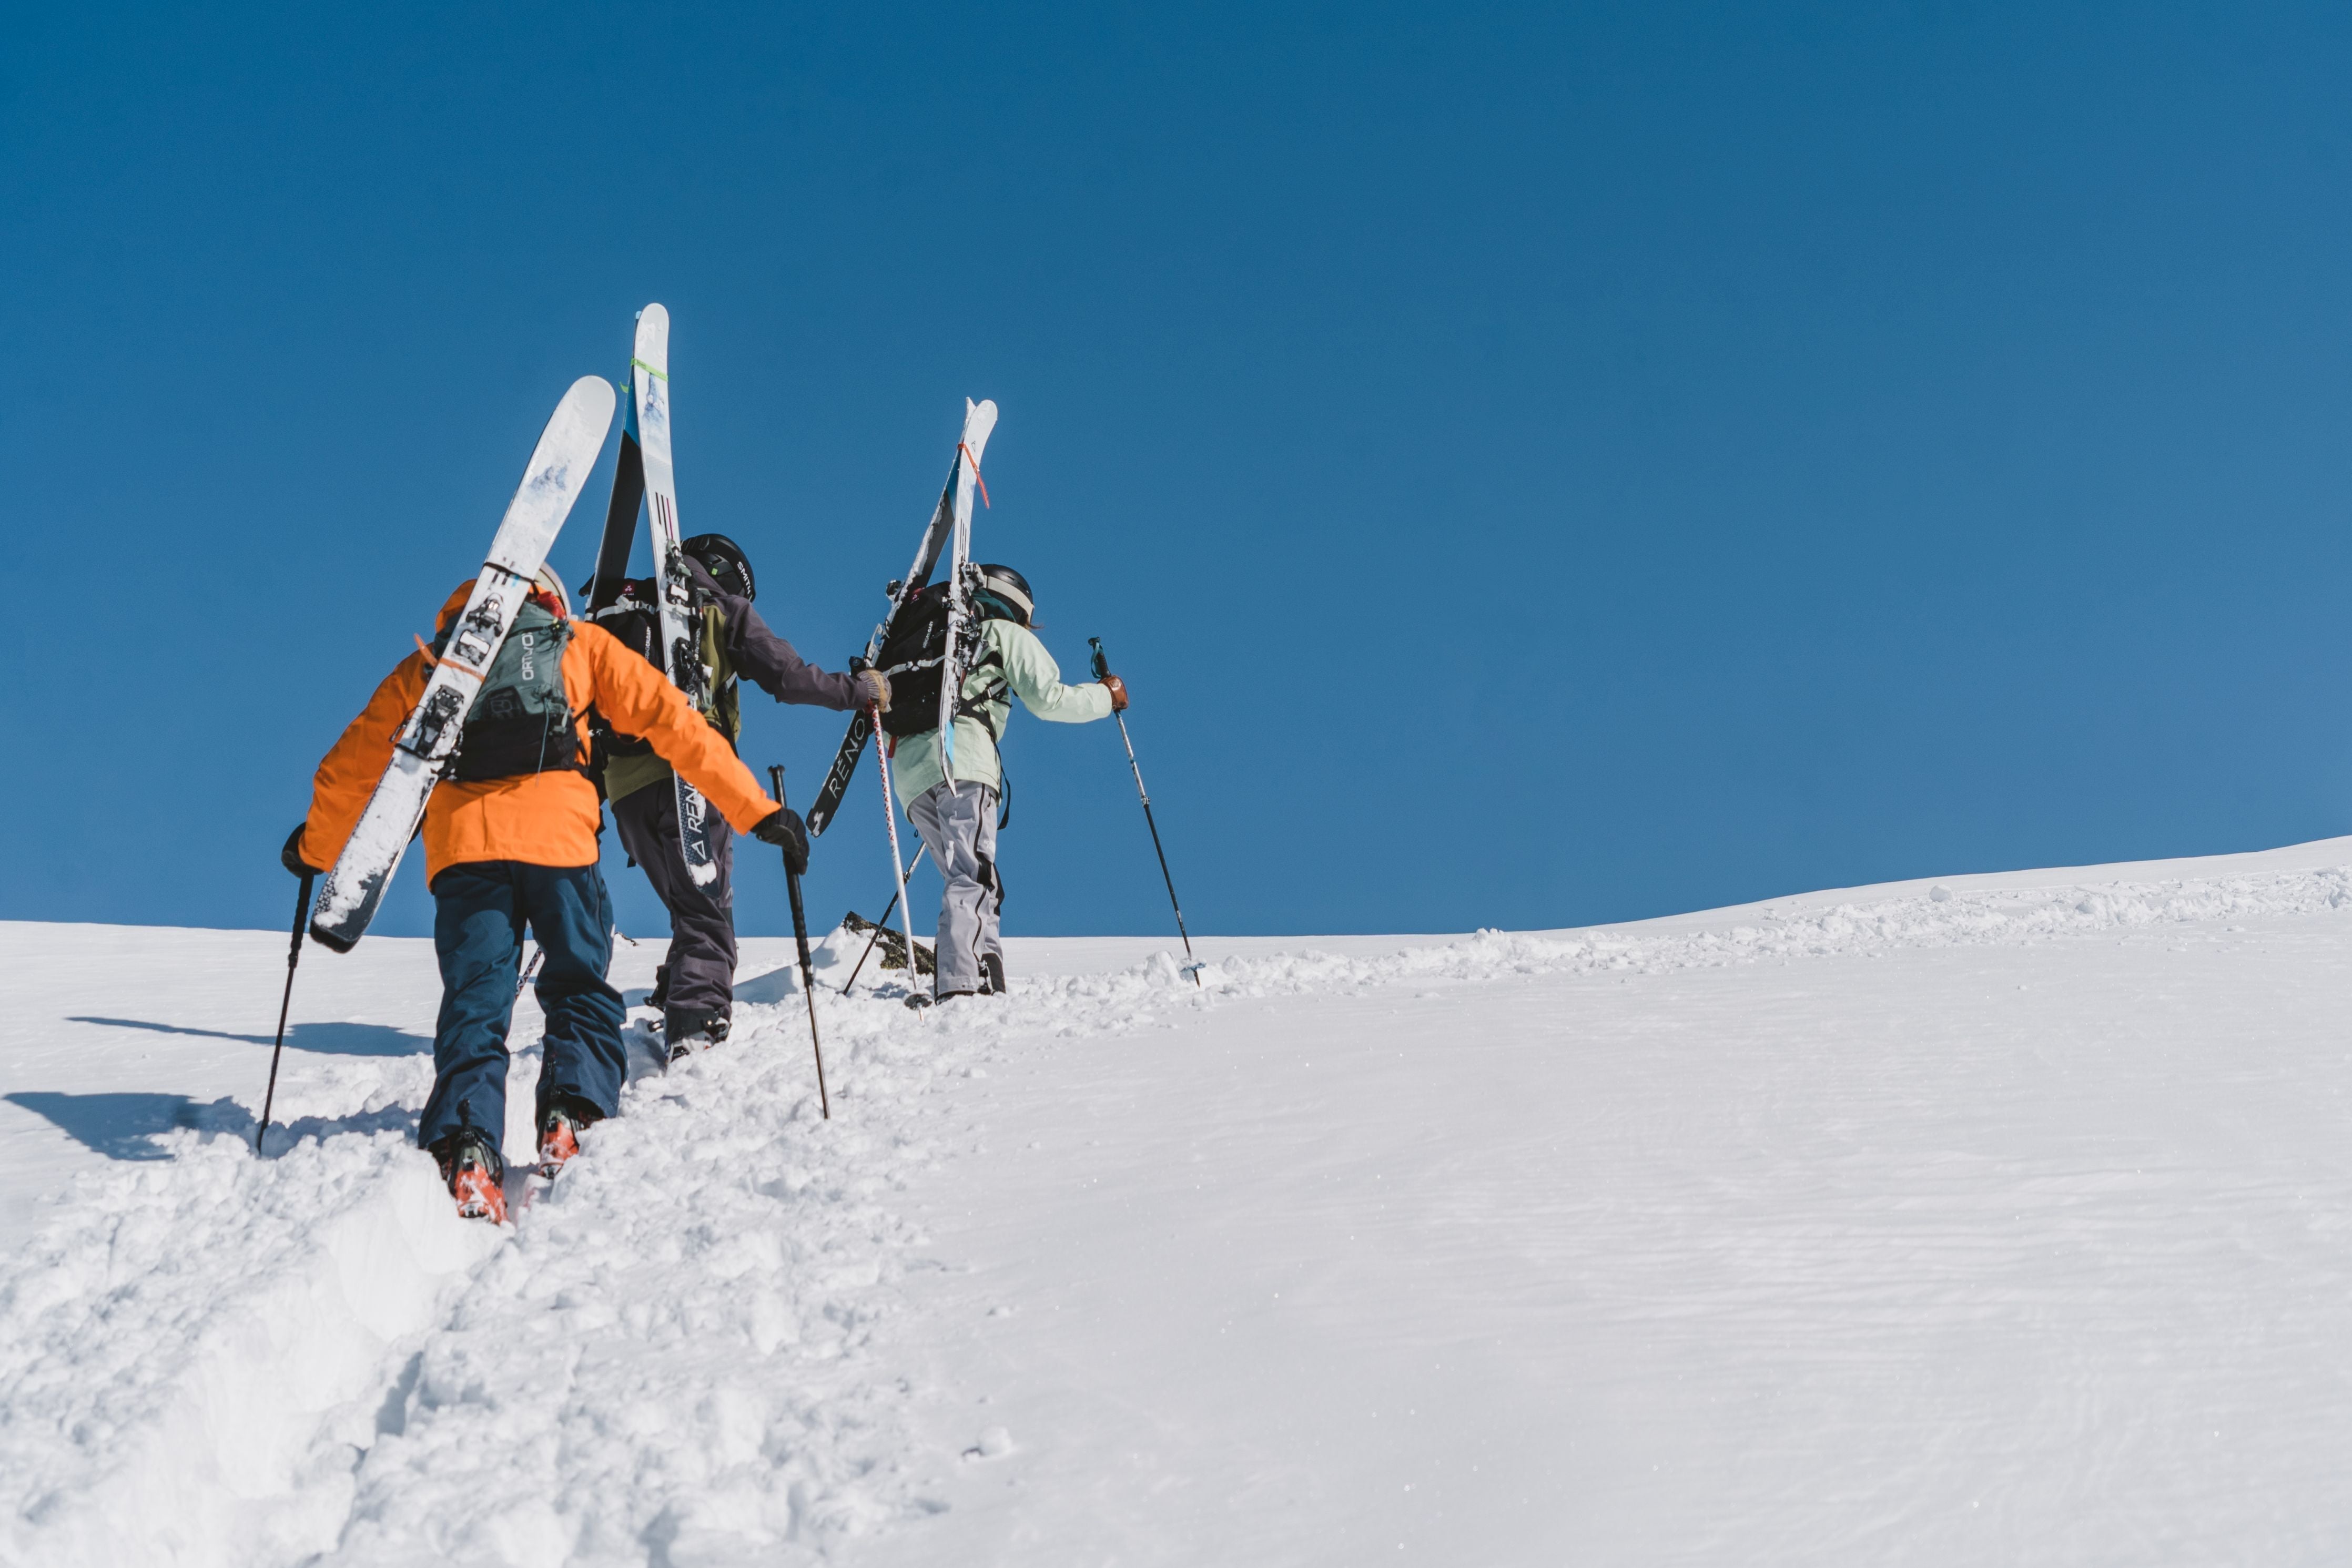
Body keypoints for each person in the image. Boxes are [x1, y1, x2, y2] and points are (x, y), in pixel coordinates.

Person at [284, 566, 807, 1221]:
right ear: (549, 597)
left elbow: (348, 770)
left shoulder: (431, 668)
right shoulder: (577, 644)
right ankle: (572, 1113)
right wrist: (757, 811)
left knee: (476, 1001)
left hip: (464, 854)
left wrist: (316, 851)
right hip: (560, 843)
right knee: (578, 986)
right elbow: (676, 722)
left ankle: (467, 1145)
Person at [586, 533, 888, 1053]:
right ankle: (697, 1019)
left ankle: (677, 992)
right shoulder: (718, 608)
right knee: (708, 907)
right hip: (690, 771)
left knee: (691, 902)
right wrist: (858, 692)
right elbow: (789, 678)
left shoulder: (621, 609)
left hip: (624, 793)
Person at [883, 564, 1126, 1004]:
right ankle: (962, 984)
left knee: (976, 879)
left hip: (911, 776)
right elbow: (1051, 699)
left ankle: (986, 973)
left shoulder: (937, 638)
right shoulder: (999, 633)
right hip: (964, 761)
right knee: (972, 876)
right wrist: (1107, 696)